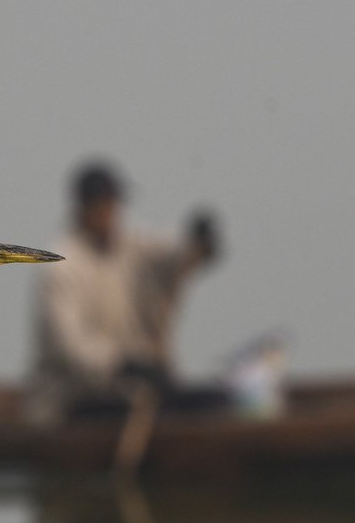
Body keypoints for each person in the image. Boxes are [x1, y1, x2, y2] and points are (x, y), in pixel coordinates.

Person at [25, 161, 220, 426]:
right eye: (102, 205)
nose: (109, 213)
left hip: (126, 394)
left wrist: (197, 243)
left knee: (210, 402)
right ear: (84, 208)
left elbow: (170, 254)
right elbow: (71, 348)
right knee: (148, 414)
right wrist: (122, 365)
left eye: (112, 204)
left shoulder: (130, 247)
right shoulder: (60, 266)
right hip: (70, 401)